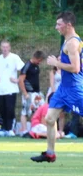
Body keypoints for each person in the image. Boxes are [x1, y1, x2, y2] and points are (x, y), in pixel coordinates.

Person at [32, 11, 83, 163]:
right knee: (49, 118)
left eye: (59, 24)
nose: (56, 27)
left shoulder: (72, 43)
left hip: (74, 89)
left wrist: (56, 64)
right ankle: (50, 153)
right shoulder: (70, 41)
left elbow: (75, 68)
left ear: (68, 25)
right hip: (63, 89)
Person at [0, 40, 25, 136]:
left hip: (11, 89)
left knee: (10, 109)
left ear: (9, 48)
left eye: (7, 47)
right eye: (3, 47)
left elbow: (23, 69)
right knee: (2, 109)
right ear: (1, 48)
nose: (5, 49)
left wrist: (18, 80)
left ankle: (11, 128)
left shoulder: (14, 57)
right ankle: (5, 128)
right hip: (0, 89)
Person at [18, 50, 45, 135]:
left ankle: (36, 129)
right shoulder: (27, 66)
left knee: (38, 110)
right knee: (25, 111)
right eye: (40, 60)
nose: (40, 62)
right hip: (29, 93)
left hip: (37, 93)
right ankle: (24, 130)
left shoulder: (36, 66)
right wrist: (25, 93)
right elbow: (21, 80)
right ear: (36, 58)